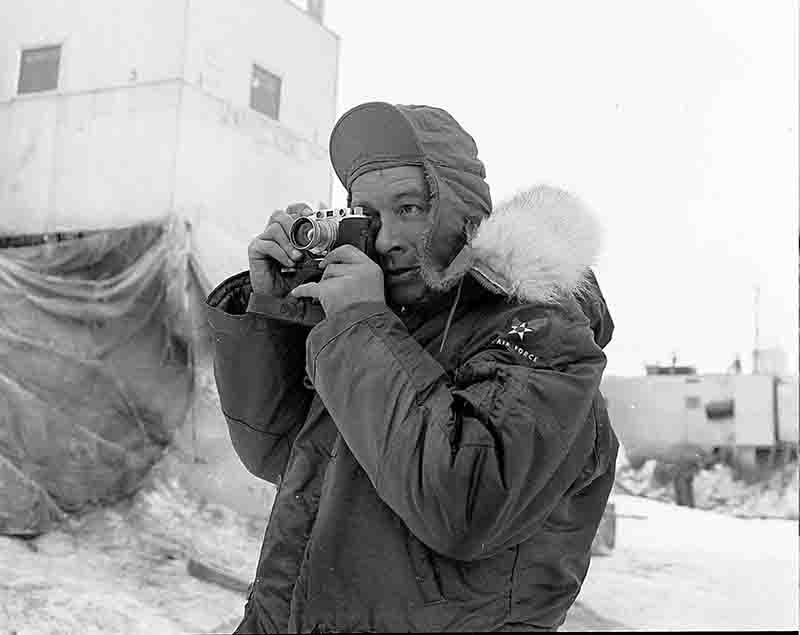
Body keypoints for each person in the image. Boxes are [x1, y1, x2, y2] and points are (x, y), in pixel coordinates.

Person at [205, 102, 618, 632]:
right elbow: (278, 454)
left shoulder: (541, 332)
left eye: (410, 208)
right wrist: (277, 311)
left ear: (461, 207)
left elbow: (462, 506)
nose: (385, 239)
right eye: (368, 215)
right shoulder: (380, 327)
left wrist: (359, 323)